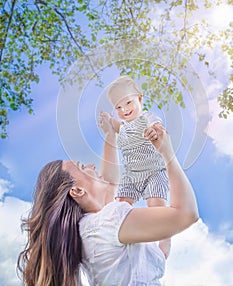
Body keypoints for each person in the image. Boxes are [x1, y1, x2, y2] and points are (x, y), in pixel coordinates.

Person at [17, 112, 198, 286]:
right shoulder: (107, 222)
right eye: (82, 166)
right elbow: (187, 214)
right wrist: (168, 154)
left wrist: (111, 136)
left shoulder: (88, 230)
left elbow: (110, 184)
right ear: (78, 191)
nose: (91, 165)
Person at [105, 75, 171, 257]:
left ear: (140, 98)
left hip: (154, 172)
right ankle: (123, 244)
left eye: (128, 102)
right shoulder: (124, 126)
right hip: (131, 175)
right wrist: (109, 121)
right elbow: (117, 126)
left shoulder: (147, 117)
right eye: (118, 107)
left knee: (156, 207)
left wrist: (155, 130)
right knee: (120, 208)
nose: (124, 109)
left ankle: (164, 241)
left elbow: (156, 125)